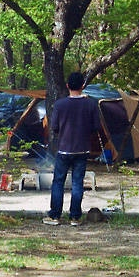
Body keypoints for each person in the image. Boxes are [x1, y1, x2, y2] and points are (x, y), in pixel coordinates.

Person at [43, 72, 101, 226]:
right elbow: (96, 126)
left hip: (64, 148)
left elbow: (54, 127)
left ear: (68, 86)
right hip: (82, 149)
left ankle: (55, 215)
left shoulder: (60, 104)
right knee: (77, 183)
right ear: (83, 86)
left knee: (58, 182)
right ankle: (75, 217)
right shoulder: (91, 104)